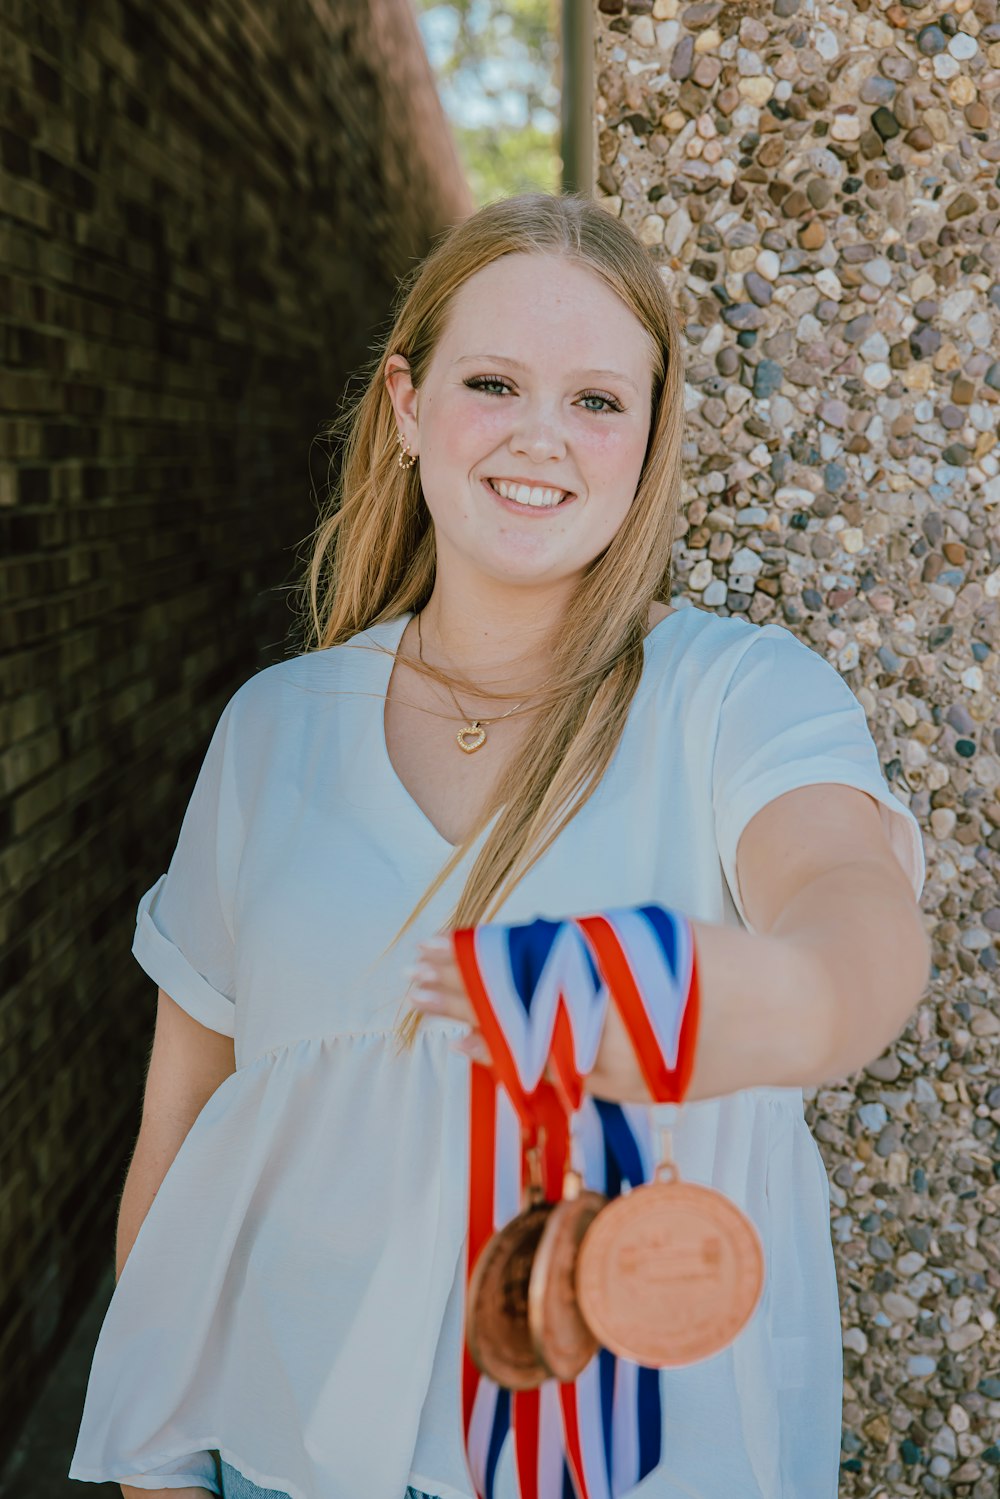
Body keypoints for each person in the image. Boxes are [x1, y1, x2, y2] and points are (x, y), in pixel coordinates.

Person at [68, 191, 928, 1499]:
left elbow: (851, 908)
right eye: (493, 381)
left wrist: (764, 1000)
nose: (544, 436)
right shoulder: (272, 730)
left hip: (630, 1469)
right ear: (408, 407)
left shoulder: (737, 695)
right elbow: (180, 1136)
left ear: (648, 439)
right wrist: (157, 1472)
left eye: (597, 399)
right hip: (284, 1462)